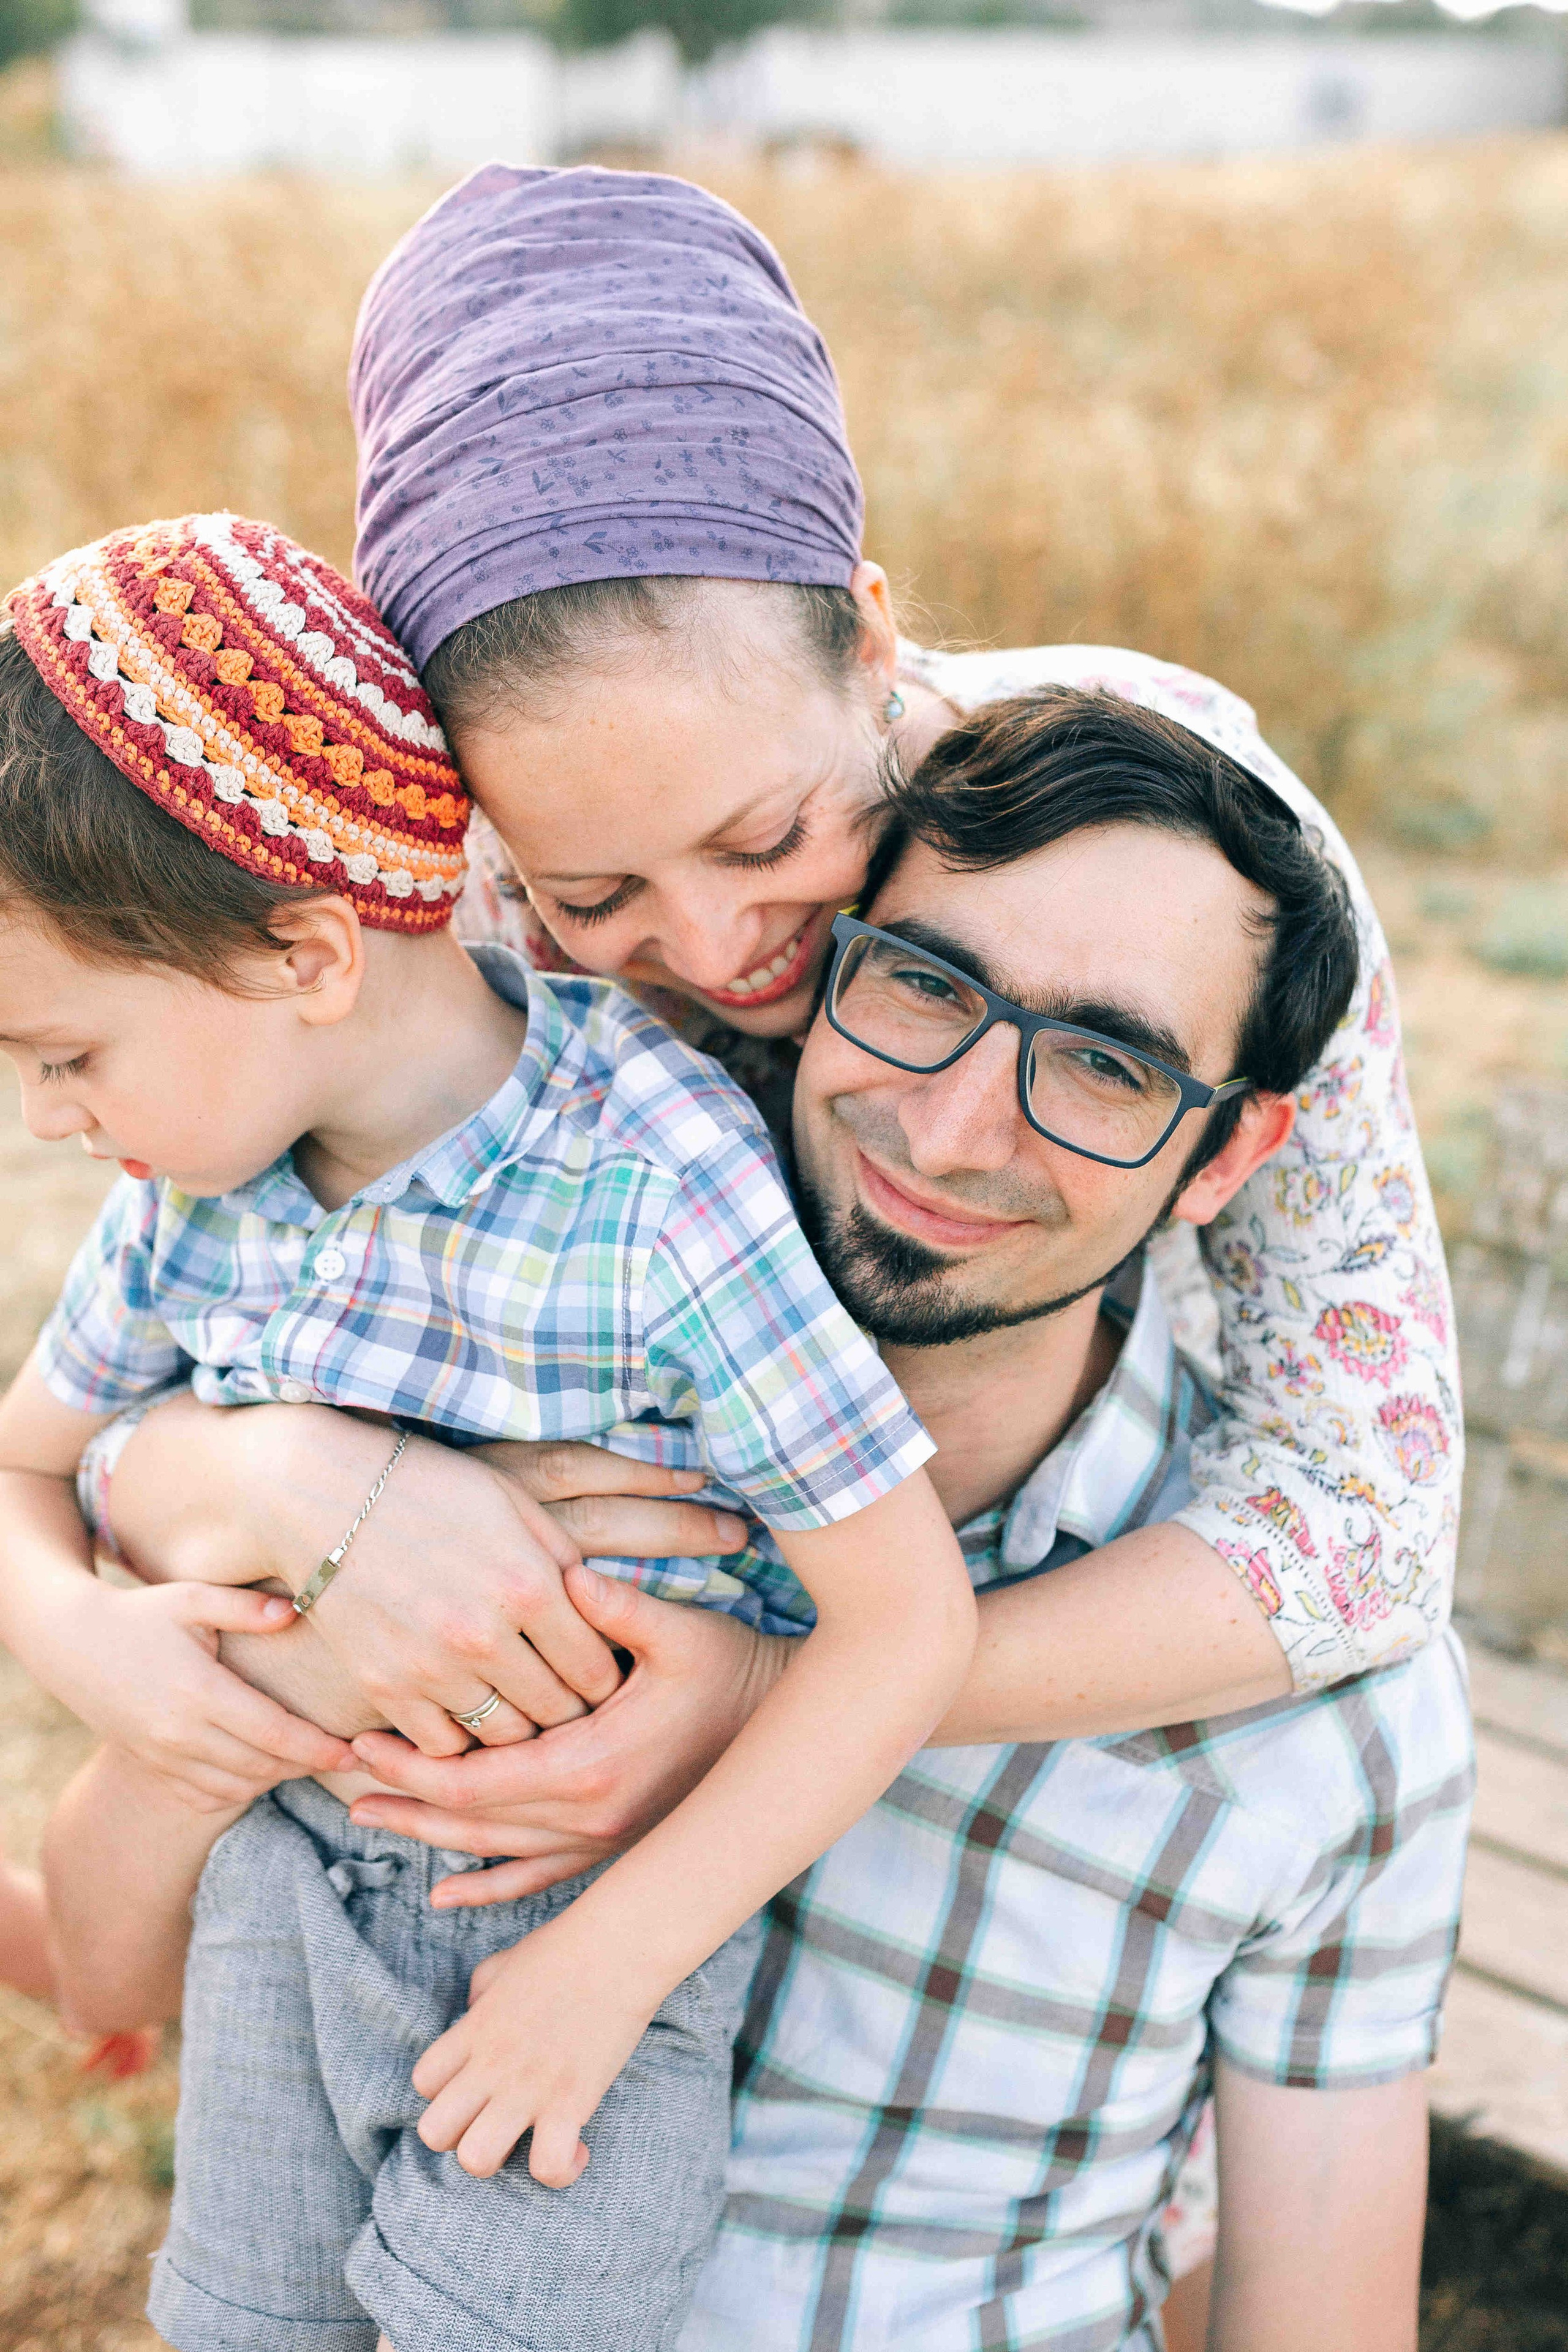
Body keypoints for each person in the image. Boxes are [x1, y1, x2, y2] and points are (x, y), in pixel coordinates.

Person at [49, 688, 1474, 2350]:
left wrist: (753, 1697)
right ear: (812, 978)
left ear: (1226, 1155)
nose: (952, 1128)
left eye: (1105, 1065)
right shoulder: (491, 1471)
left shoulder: (1326, 1708)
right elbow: (110, 1969)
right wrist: (258, 1497)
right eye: (926, 985)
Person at [83, 166, 1459, 1807]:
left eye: (769, 835)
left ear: (872, 642)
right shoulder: (445, 907)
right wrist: (283, 1483)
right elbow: (167, 1336)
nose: (725, 948)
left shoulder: (1169, 838)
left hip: (1041, 1662)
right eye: (593, 894)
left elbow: (1370, 1513)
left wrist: (780, 1700)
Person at [0, 512, 978, 2352]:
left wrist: (609, 1970)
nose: (53, 1112)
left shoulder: (660, 1175)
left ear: (304, 952)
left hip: (582, 1930)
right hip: (281, 1919)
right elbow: (19, 1462)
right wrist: (90, 1648)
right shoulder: (191, 1190)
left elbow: (903, 1620)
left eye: (68, 1054)